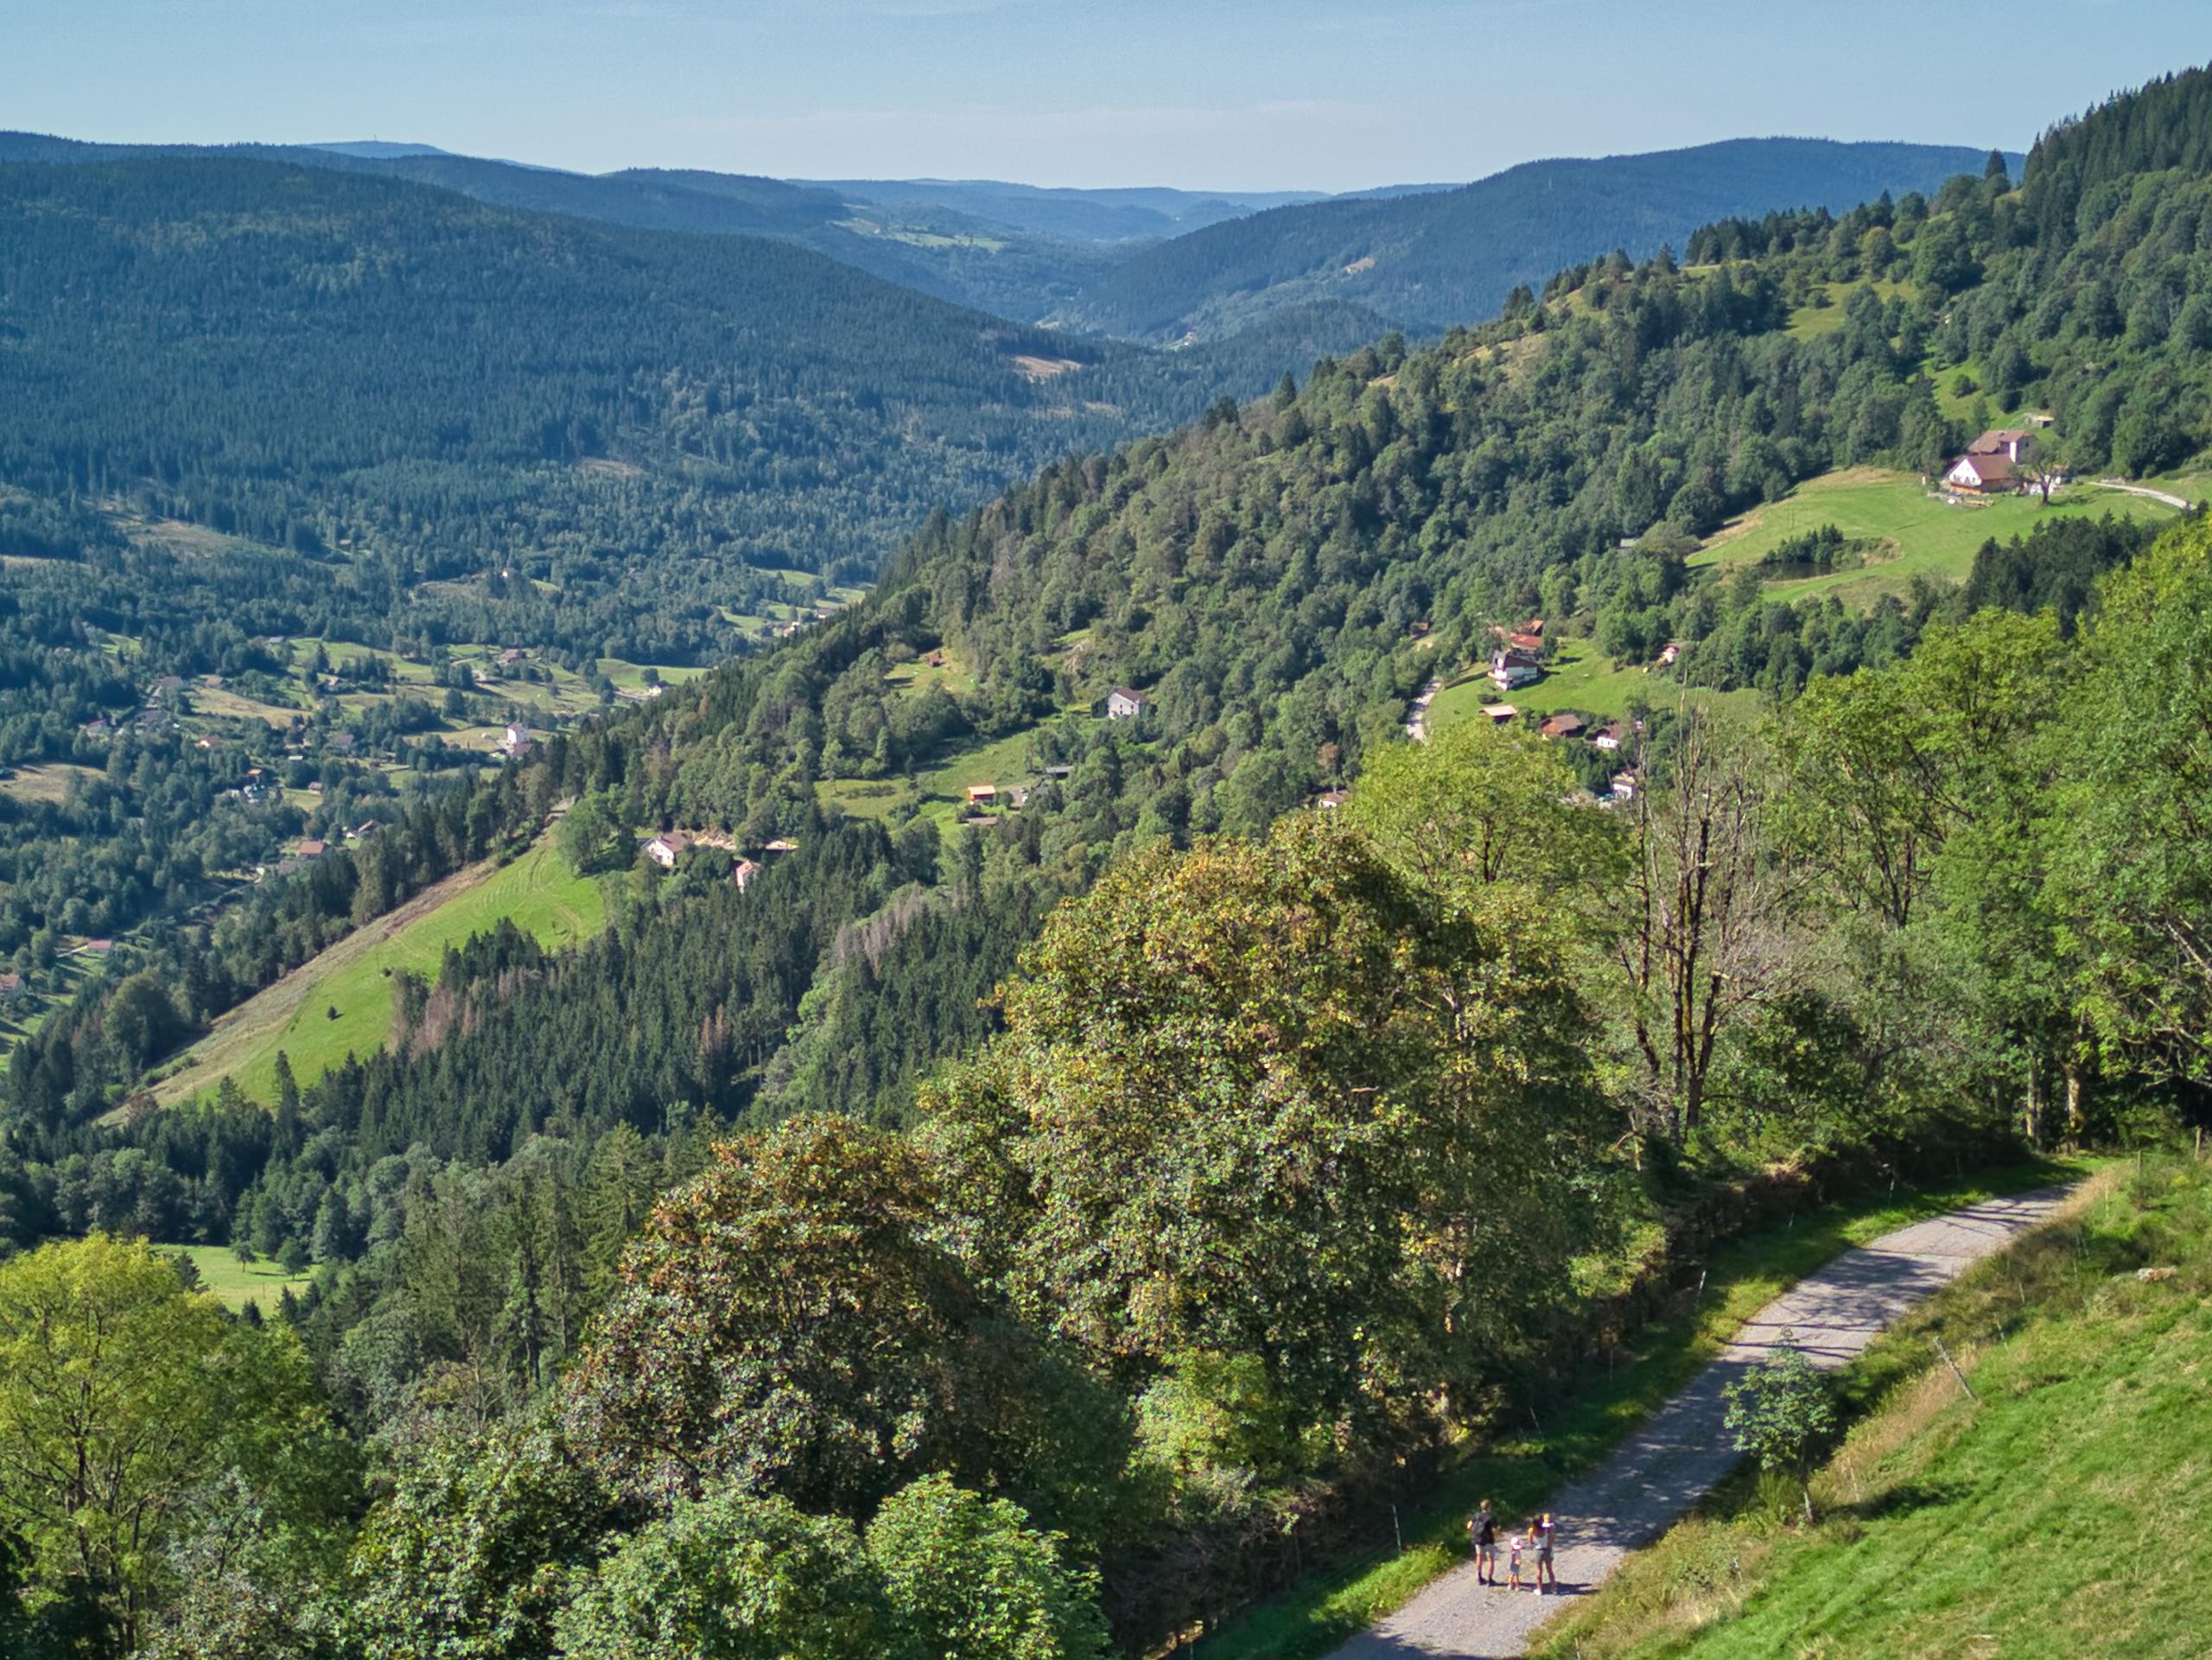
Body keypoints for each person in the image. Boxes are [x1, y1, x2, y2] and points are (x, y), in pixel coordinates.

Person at [1469, 1498, 1498, 1585]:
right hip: (1489, 1540)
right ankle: (1490, 1579)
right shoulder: (1491, 1517)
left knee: (1479, 1557)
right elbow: (1495, 1530)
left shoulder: (1476, 1515)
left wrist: (1475, 1532)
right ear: (1489, 1507)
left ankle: (1479, 1577)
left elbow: (1469, 1526)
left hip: (1478, 1539)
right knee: (1491, 1559)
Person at [1535, 1511, 1557, 1593]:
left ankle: (1539, 1589)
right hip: (1547, 1549)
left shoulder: (1534, 1530)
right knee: (1550, 1570)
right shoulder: (1548, 1528)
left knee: (1539, 1571)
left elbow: (1530, 1541)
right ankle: (1554, 1588)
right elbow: (1552, 1539)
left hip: (1539, 1550)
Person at [1506, 1523, 1528, 1592]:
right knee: (1516, 1575)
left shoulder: (1514, 1550)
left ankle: (1510, 1585)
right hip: (1515, 1564)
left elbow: (1523, 1547)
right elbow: (1515, 1559)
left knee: (1512, 1574)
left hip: (1513, 1564)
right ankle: (1517, 1586)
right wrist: (1518, 1562)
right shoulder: (1514, 1552)